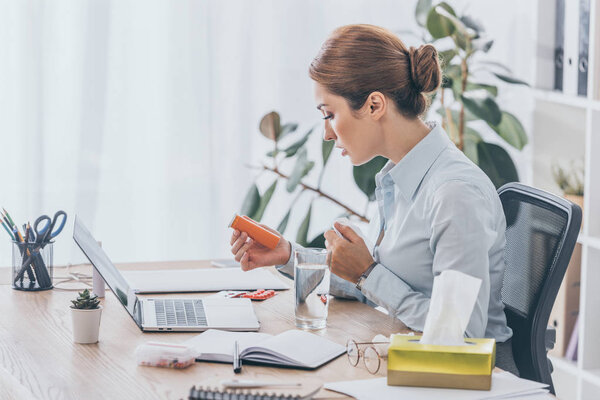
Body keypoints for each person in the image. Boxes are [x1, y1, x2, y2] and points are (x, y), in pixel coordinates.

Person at [229, 24, 518, 375]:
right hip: (415, 363)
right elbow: (380, 289)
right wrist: (289, 255)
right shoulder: (397, 178)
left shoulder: (454, 194)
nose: (326, 132)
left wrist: (367, 272)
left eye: (329, 114)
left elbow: (459, 337)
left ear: (375, 104)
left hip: (467, 381)